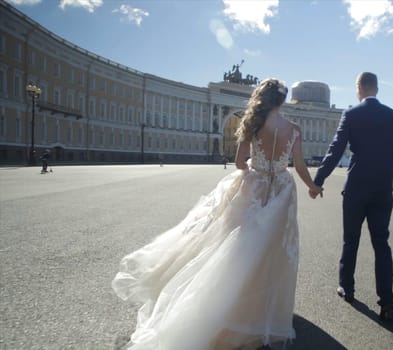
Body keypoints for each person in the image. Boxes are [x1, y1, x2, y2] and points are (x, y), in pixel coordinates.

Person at [112, 78, 322, 350]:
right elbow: (301, 164)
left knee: (236, 246)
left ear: (262, 98)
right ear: (282, 101)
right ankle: (263, 310)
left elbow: (238, 162)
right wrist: (313, 186)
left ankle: (227, 302)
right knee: (274, 251)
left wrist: (253, 164)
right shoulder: (293, 129)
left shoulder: (252, 124)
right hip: (282, 189)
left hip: (254, 186)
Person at [310, 72, 393, 322]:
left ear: (359, 88)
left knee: (350, 240)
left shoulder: (351, 114)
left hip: (356, 188)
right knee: (381, 244)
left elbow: (335, 151)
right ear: (377, 87)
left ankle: (347, 288)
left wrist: (318, 181)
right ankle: (387, 303)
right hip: (383, 190)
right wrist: (387, 165)